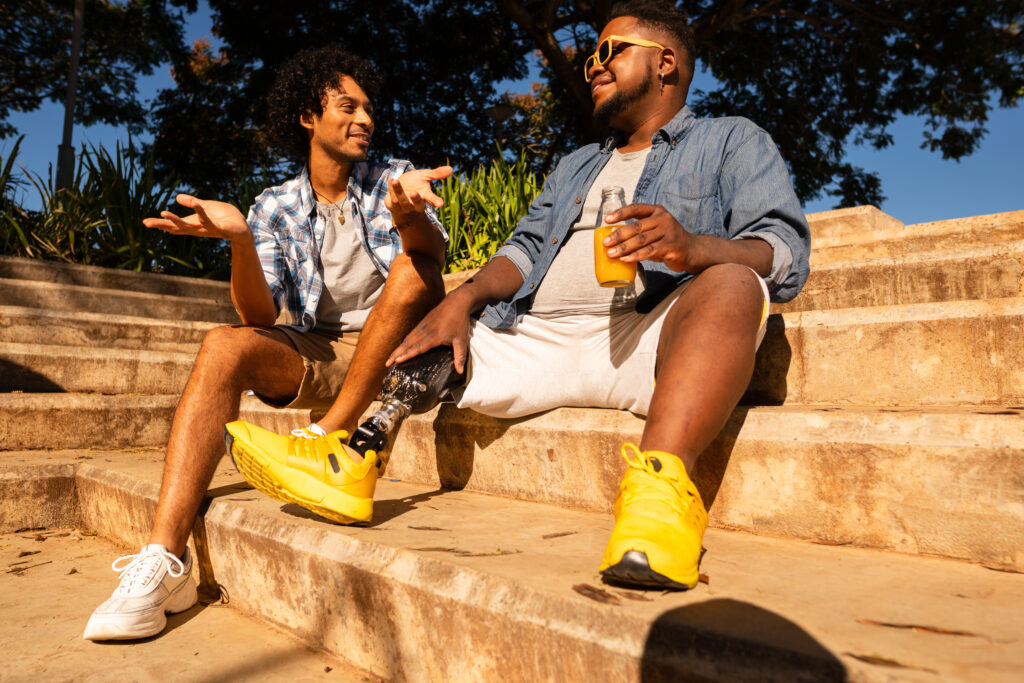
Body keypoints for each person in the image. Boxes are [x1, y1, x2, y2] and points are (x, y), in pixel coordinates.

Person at [228, 0, 810, 592]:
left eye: (609, 52)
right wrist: (462, 298)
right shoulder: (579, 164)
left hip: (649, 338)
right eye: (589, 60)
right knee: (437, 320)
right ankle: (356, 460)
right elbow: (524, 251)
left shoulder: (732, 140)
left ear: (665, 63)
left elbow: (781, 249)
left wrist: (695, 248)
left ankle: (657, 503)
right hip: (536, 338)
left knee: (735, 283)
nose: (594, 67)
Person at [83, 46, 451, 640]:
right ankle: (163, 560)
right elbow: (259, 315)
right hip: (327, 353)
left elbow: (430, 269)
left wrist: (407, 214)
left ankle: (328, 433)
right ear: (309, 116)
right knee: (223, 345)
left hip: (402, 350)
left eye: (369, 110)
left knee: (412, 270)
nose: (365, 120)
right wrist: (240, 244)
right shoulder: (275, 205)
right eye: (347, 106)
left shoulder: (394, 178)